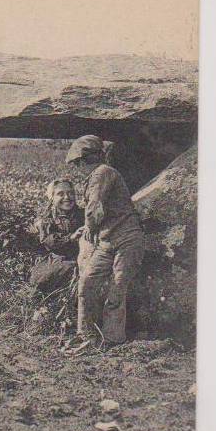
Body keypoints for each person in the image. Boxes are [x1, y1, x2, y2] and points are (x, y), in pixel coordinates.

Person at [66, 135, 144, 344]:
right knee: (87, 283)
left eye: (77, 163)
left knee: (117, 289)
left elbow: (95, 206)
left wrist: (90, 226)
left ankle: (112, 339)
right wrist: (91, 227)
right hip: (107, 240)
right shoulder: (100, 174)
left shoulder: (102, 173)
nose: (77, 168)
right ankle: (86, 335)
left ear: (85, 160)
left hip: (127, 239)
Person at [29, 178, 84, 293]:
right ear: (52, 198)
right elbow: (49, 241)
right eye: (60, 194)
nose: (67, 197)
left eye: (70, 193)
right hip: (59, 259)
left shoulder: (83, 214)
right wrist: (71, 238)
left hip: (83, 256)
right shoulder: (47, 220)